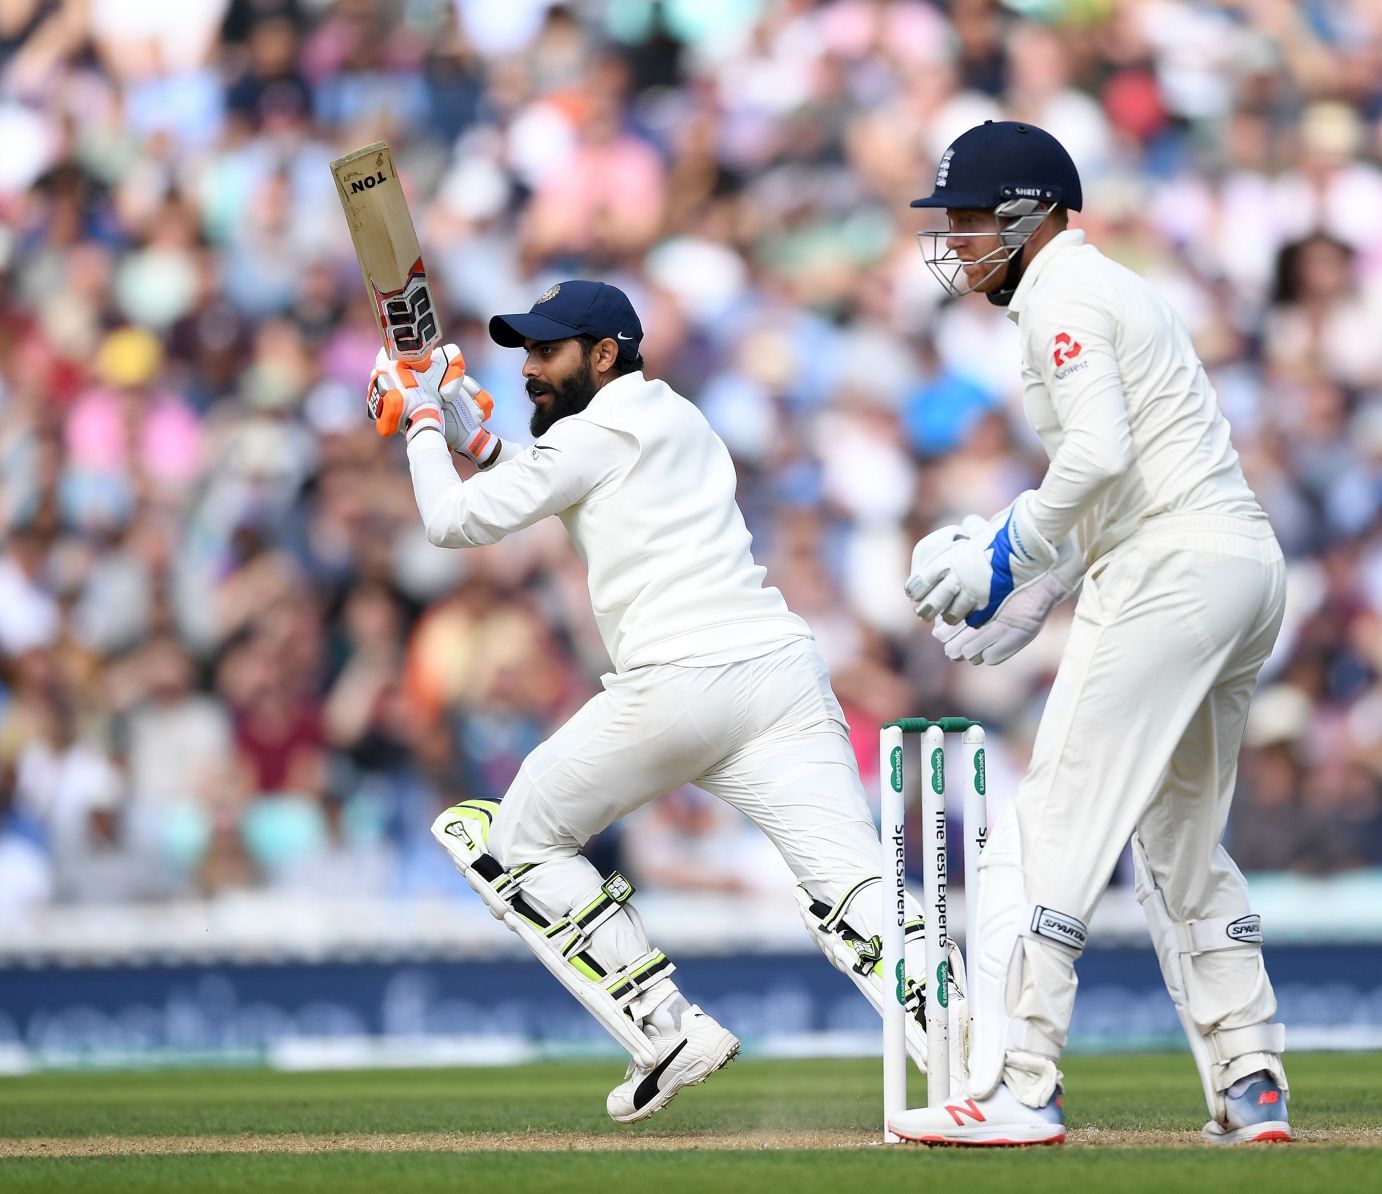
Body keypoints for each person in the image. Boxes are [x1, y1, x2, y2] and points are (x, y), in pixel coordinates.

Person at [373, 281, 959, 1124]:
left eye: (548, 352)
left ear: (603, 355)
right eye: (527, 354)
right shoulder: (673, 415)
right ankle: (969, 1051)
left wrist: (423, 423)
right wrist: (467, 422)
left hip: (682, 679)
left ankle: (666, 1026)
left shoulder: (595, 433)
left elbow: (452, 521)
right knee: (855, 884)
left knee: (515, 841)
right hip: (781, 673)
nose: (531, 369)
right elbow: (556, 480)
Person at [889, 121, 1293, 1146]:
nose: (959, 242)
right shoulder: (1109, 290)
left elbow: (1104, 457)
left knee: (1056, 818)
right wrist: (1039, 585)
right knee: (1177, 837)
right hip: (1238, 563)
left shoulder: (1063, 297)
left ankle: (1023, 1081)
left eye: (973, 221)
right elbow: (1132, 474)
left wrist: (1006, 552)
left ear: (1031, 216)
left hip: (1171, 569)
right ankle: (1250, 1074)